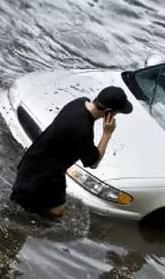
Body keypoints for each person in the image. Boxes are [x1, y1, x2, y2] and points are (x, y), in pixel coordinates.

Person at [10, 86, 133, 219]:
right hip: (40, 176)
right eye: (117, 113)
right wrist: (107, 134)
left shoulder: (79, 102)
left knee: (57, 211)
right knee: (22, 213)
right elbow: (93, 163)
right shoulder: (83, 130)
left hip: (42, 165)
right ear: (109, 111)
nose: (115, 116)